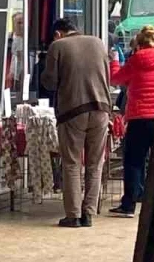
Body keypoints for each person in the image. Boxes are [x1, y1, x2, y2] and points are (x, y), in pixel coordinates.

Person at [41, 17, 113, 228]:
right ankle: (89, 212)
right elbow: (107, 75)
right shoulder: (98, 42)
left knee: (72, 163)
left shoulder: (58, 46)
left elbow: (51, 81)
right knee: (95, 163)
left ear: (58, 33)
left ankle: (73, 215)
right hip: (101, 110)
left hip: (72, 111)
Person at [107, 26, 154, 219]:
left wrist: (114, 62)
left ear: (139, 44)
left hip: (138, 117)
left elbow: (115, 79)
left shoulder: (135, 60)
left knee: (134, 161)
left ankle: (129, 204)